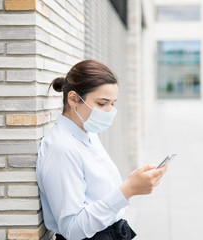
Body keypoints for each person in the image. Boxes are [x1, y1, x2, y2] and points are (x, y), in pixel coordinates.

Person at [36, 60, 167, 240]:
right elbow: (72, 229)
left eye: (112, 103)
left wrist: (133, 185)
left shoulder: (88, 133)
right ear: (73, 99)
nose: (109, 111)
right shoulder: (61, 149)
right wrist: (128, 189)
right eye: (102, 103)